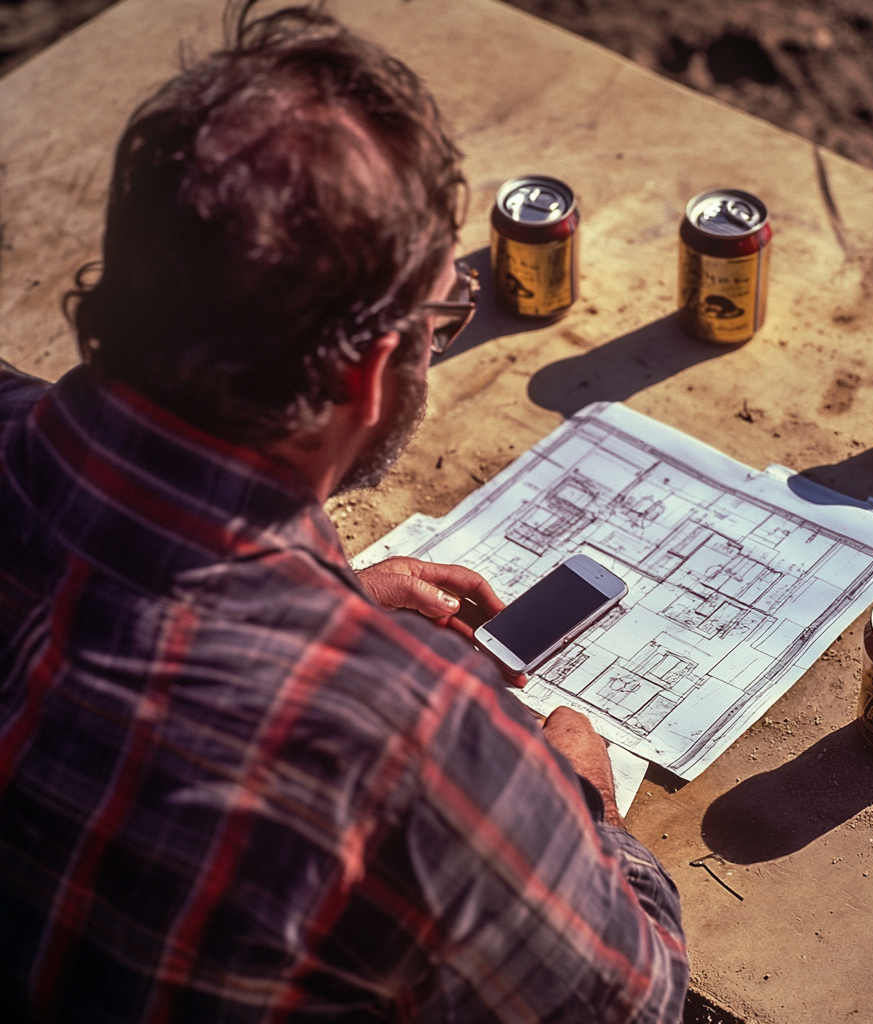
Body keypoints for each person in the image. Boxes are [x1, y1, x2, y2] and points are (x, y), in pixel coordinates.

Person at [0, 3, 689, 1020]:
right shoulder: (421, 761)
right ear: (370, 371)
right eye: (440, 318)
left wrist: (320, 598)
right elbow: (632, 1004)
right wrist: (577, 800)